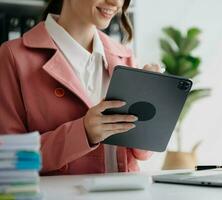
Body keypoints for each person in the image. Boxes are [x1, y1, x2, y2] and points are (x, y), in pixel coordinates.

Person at [0, 0, 160, 175]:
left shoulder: (124, 56)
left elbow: (142, 154)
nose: (115, 2)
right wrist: (82, 133)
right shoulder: (13, 57)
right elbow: (10, 159)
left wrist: (150, 102)